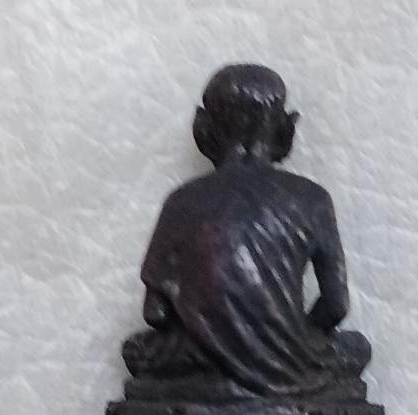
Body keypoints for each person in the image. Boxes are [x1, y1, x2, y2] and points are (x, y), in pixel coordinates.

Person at [123, 64, 370, 396]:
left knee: (138, 350)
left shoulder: (181, 202)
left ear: (203, 128)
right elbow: (335, 306)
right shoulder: (313, 199)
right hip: (292, 359)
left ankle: (217, 379)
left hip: (200, 357)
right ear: (286, 128)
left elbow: (155, 313)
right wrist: (295, 339)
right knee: (355, 348)